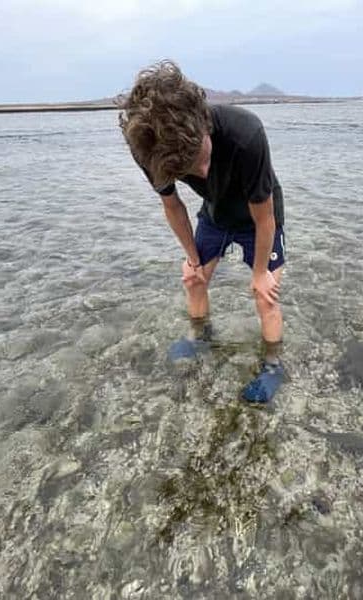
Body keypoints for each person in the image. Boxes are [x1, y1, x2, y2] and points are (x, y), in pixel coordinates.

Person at [119, 61, 286, 403]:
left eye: (201, 156)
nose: (203, 170)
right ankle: (201, 336)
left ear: (203, 122)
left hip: (259, 216)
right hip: (215, 213)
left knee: (264, 295)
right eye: (189, 169)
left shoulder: (246, 133)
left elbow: (265, 216)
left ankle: (273, 365)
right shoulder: (149, 149)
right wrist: (192, 259)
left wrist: (259, 274)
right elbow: (173, 205)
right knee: (194, 279)